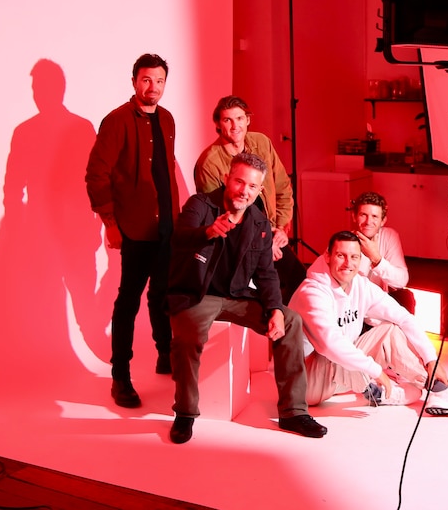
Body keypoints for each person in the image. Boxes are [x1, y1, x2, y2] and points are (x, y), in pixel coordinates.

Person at [167, 152, 327, 443]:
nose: (244, 191)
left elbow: (266, 274)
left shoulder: (259, 224)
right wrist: (208, 231)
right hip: (198, 294)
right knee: (188, 337)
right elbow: (178, 238)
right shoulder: (200, 205)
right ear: (227, 179)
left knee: (290, 320)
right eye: (239, 182)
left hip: (238, 296)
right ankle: (186, 412)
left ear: (259, 190)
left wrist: (276, 309)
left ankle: (293, 412)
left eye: (252, 186)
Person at [287, 230, 448, 415]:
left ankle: (433, 388)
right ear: (327, 256)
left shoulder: (360, 285)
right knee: (338, 350)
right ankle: (433, 390)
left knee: (390, 331)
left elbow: (403, 317)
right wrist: (376, 371)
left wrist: (430, 360)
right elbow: (330, 345)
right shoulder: (313, 292)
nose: (348, 263)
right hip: (304, 384)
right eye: (341, 255)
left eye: (354, 257)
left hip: (334, 378)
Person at [85, 53, 178, 408]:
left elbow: (166, 172)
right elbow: (96, 175)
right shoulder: (117, 121)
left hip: (167, 224)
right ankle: (120, 378)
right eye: (146, 80)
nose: (152, 87)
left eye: (159, 81)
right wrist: (110, 223)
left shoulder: (167, 119)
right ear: (134, 81)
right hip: (135, 228)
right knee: (128, 301)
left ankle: (165, 354)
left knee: (163, 295)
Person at [193, 95, 306, 304]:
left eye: (240, 118)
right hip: (238, 242)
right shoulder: (209, 163)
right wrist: (263, 241)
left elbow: (282, 187)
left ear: (248, 120)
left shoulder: (261, 142)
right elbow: (223, 214)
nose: (235, 125)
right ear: (218, 124)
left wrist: (281, 228)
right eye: (227, 120)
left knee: (300, 280)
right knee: (266, 292)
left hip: (270, 232)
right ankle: (270, 325)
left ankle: (285, 328)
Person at [351, 191, 416, 314]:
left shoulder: (389, 236)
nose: (368, 221)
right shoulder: (344, 241)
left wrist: (376, 258)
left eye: (374, 216)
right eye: (363, 215)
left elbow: (401, 281)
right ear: (354, 216)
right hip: (354, 306)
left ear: (383, 221)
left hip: (378, 303)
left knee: (406, 297)